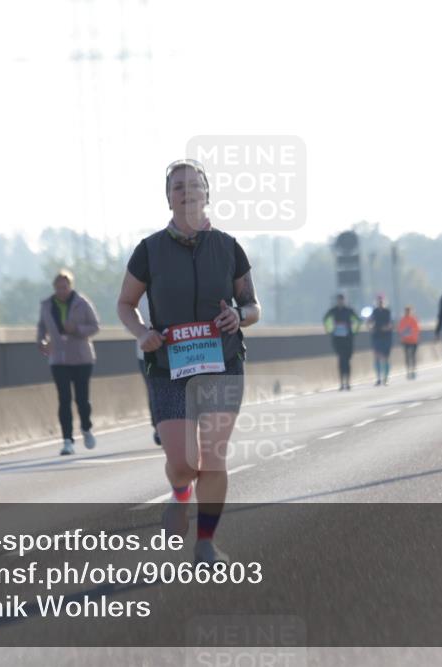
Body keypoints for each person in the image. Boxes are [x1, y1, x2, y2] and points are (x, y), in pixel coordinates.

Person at [117, 158, 261, 565]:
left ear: (207, 193)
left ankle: (205, 543)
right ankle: (179, 497)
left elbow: (252, 304)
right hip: (168, 368)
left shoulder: (229, 247)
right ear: (168, 198)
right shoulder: (149, 251)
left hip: (222, 364)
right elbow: (126, 304)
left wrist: (241, 315)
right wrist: (143, 333)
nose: (186, 191)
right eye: (177, 186)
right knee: (182, 465)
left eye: (193, 184)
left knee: (214, 459)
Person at [37, 269, 101, 455]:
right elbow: (41, 327)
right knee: (63, 399)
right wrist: (41, 341)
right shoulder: (47, 305)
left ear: (70, 286)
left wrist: (77, 328)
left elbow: (95, 326)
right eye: (58, 287)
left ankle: (86, 428)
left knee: (81, 399)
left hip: (81, 358)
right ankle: (67, 440)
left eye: (64, 287)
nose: (61, 291)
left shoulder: (82, 303)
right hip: (58, 358)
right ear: (54, 287)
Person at [135, 293, 160, 446]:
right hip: (145, 353)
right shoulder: (137, 296)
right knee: (154, 390)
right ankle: (158, 427)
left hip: (174, 350)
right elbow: (128, 323)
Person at [323, 294, 362, 391]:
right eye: (339, 300)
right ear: (337, 301)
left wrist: (354, 331)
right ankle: (341, 383)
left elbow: (358, 320)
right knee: (341, 360)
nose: (340, 302)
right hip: (337, 339)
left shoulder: (349, 310)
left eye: (342, 300)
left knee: (347, 361)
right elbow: (325, 319)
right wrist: (329, 330)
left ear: (344, 300)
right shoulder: (333, 310)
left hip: (348, 339)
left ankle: (348, 382)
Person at [367, 294, 393, 385]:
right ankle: (378, 378)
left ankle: (385, 378)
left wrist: (387, 327)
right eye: (378, 301)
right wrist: (370, 327)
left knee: (385, 358)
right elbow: (370, 321)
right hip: (377, 336)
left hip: (386, 337)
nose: (380, 303)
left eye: (381, 301)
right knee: (377, 357)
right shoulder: (374, 312)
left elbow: (390, 324)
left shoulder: (387, 311)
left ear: (384, 302)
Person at [397, 305, 420, 379]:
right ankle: (408, 371)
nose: (407, 312)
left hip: (413, 341)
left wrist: (411, 333)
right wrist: (403, 334)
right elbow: (400, 330)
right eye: (406, 311)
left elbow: (417, 329)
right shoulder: (402, 320)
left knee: (413, 356)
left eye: (408, 311)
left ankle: (413, 371)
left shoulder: (414, 320)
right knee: (407, 356)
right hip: (405, 341)